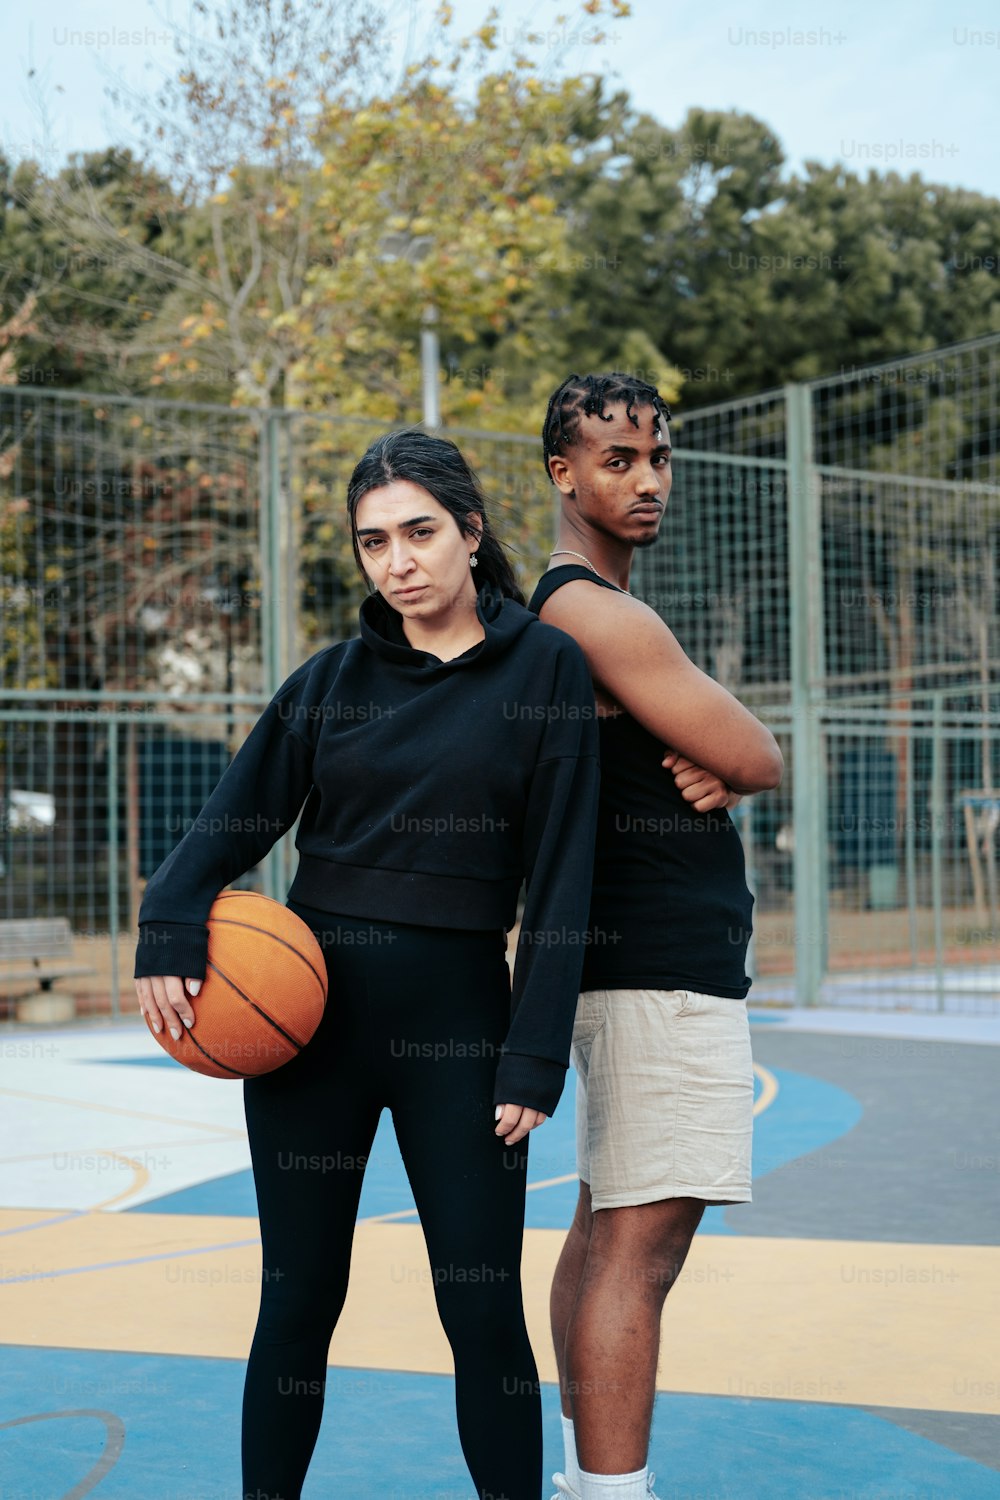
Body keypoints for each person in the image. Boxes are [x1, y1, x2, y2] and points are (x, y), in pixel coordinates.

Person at [134, 428, 601, 1500]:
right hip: (310, 1036)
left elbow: (566, 878)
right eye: (374, 541)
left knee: (479, 1305)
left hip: (466, 1036)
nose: (399, 561)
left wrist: (535, 1055)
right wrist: (170, 925)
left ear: (471, 532)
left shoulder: (546, 669)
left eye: (421, 532)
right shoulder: (329, 681)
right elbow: (226, 824)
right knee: (297, 1297)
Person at [527, 373, 784, 1500]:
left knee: (602, 1235)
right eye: (616, 459)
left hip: (630, 967)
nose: (646, 480)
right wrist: (731, 762)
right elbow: (762, 754)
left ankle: (585, 1478)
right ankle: (610, 1490)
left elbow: (730, 757)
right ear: (562, 474)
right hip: (656, 974)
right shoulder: (591, 608)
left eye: (658, 457)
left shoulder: (588, 612)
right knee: (643, 1253)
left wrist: (719, 763)